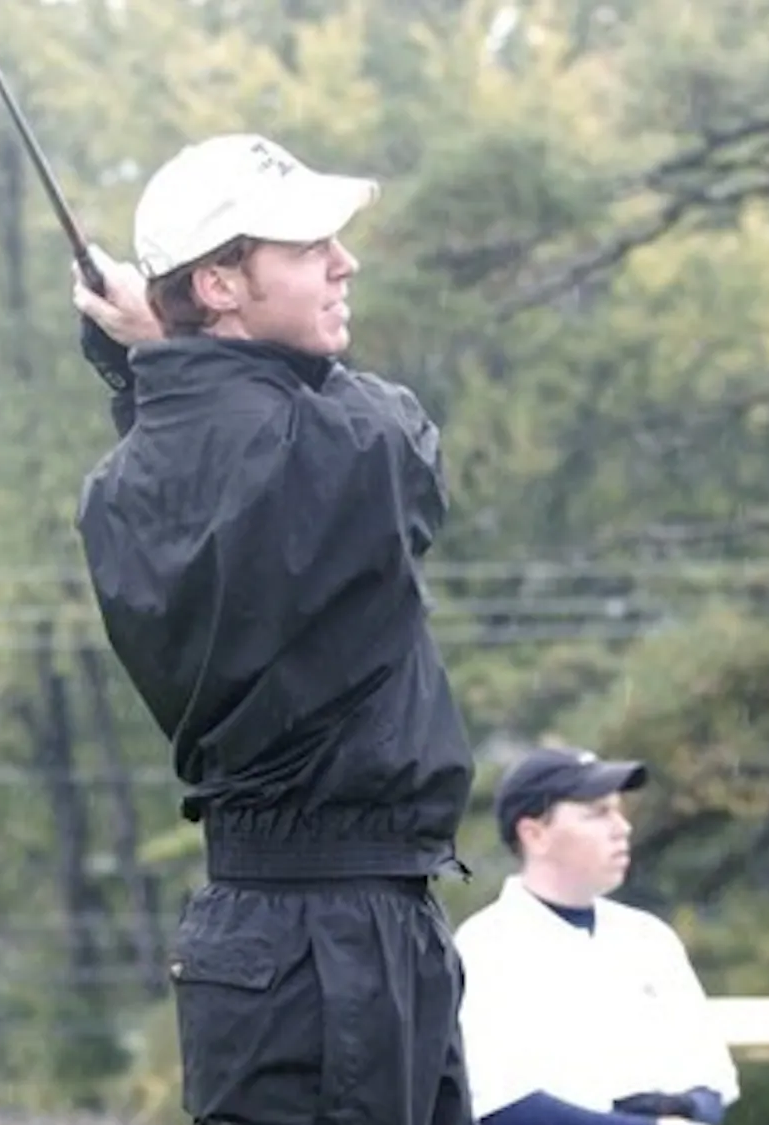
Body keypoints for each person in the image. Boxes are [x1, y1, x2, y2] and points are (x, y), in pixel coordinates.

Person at [69, 133, 477, 1125]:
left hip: (343, 926)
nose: (345, 264)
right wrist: (164, 361)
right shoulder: (329, 444)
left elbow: (202, 440)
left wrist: (155, 365)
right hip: (321, 945)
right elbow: (404, 443)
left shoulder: (124, 482)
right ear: (218, 285)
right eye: (307, 248)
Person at [452, 746, 741, 1125]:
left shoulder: (649, 938)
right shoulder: (485, 948)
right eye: (598, 813)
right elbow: (503, 1107)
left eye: (618, 811)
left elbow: (712, 1082)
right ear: (535, 833)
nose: (623, 827)